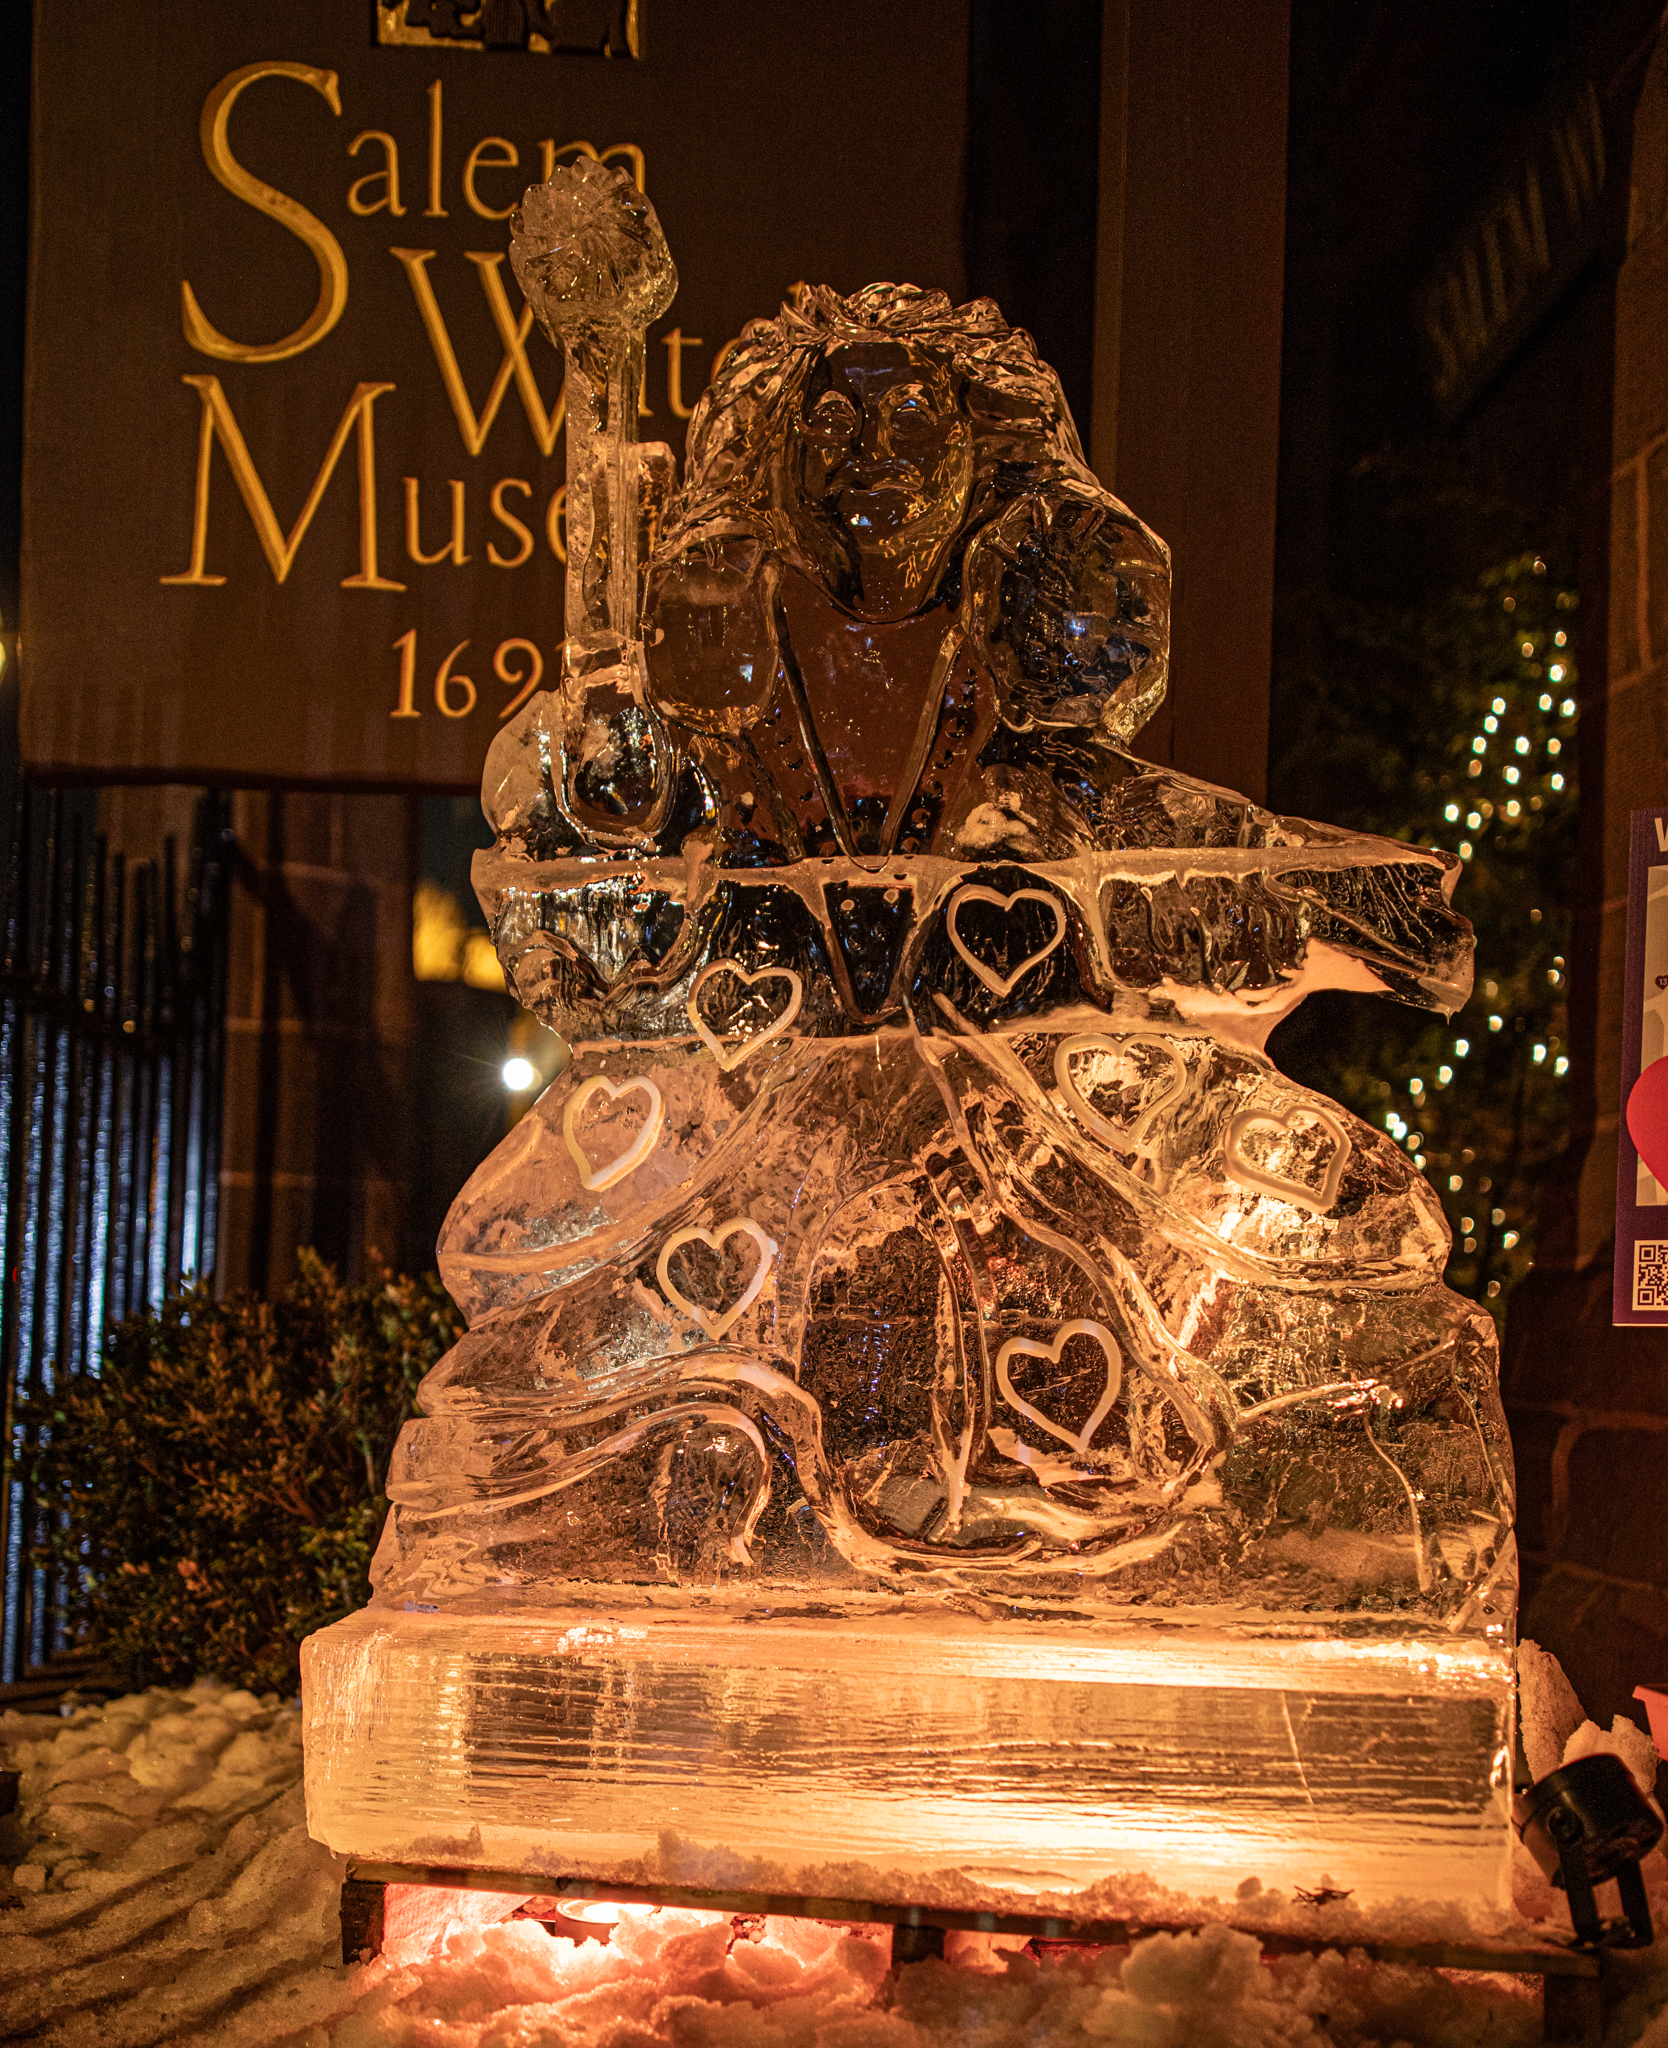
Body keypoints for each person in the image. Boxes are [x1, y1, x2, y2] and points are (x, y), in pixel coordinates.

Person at [373, 284, 1512, 1637]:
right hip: (754, 1167)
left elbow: (1185, 844)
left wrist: (1363, 895)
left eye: (914, 421)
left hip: (1017, 1159)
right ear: (767, 467)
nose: (872, 459)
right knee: (571, 1372)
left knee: (1277, 1292)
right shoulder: (705, 733)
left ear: (991, 461)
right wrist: (582, 787)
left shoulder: (1036, 749)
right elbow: (596, 884)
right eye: (830, 427)